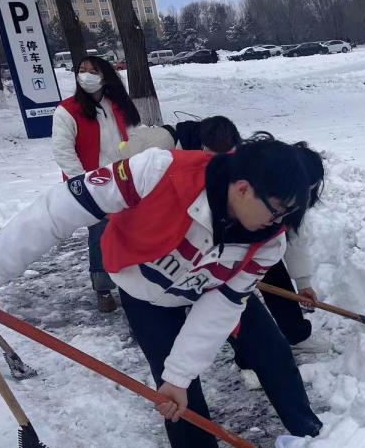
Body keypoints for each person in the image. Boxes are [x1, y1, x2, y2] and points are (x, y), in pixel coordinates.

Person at [0, 134, 325, 448]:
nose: (279, 223)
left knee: (272, 352)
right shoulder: (156, 171)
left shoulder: (268, 238)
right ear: (243, 188)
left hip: (209, 289)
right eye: (277, 210)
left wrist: (183, 368)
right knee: (180, 401)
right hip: (146, 293)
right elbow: (57, 209)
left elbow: (223, 306)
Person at [119, 117, 329, 364]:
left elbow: (292, 234)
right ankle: (242, 360)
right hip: (190, 231)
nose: (296, 201)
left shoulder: (280, 189)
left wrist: (302, 281)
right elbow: (126, 173)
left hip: (246, 235)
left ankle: (291, 335)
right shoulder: (171, 152)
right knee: (217, 297)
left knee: (266, 278)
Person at [52, 55, 141, 313]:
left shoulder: (118, 105)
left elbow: (136, 135)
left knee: (134, 230)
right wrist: (84, 183)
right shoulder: (67, 110)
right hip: (94, 184)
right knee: (101, 235)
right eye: (82, 70)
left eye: (93, 70)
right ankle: (103, 288)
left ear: (105, 76)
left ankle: (136, 281)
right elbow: (63, 151)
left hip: (126, 178)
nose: (87, 74)